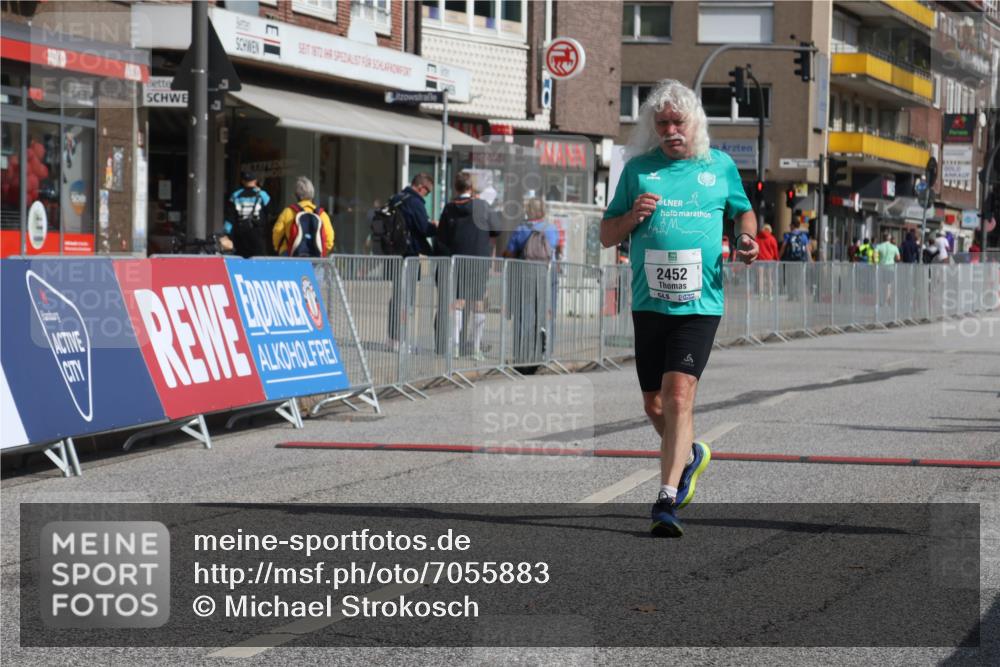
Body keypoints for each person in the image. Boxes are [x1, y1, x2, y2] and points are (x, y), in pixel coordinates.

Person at [599, 79, 758, 537]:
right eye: (662, 123)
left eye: (678, 121)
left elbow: (742, 212)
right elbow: (608, 236)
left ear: (695, 123)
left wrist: (745, 238)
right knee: (653, 405)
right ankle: (690, 455)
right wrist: (632, 217)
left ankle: (666, 500)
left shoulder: (719, 166)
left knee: (678, 395)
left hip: (700, 303)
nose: (671, 130)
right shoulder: (639, 170)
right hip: (649, 303)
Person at [436, 171, 500, 360]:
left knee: (458, 301)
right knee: (478, 302)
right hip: (479, 260)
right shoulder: (482, 206)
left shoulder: (449, 208)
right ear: (471, 188)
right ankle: (476, 348)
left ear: (456, 187)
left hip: (457, 260)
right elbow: (496, 228)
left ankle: (455, 345)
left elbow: (441, 237)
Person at [503, 198, 559, 366]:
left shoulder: (522, 228)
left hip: (526, 275)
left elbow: (510, 252)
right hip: (548, 274)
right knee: (547, 312)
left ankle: (522, 353)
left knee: (524, 314)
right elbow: (556, 248)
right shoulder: (551, 228)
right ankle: (545, 352)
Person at [386, 173, 437, 349]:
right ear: (421, 187)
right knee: (406, 298)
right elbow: (424, 229)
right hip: (409, 253)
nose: (427, 195)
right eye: (428, 192)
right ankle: (401, 340)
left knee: (397, 296)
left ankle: (392, 339)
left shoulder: (396, 198)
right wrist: (436, 226)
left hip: (393, 253)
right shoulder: (415, 202)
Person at [272, 176, 334, 257]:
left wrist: (279, 248)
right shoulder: (322, 214)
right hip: (315, 257)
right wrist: (322, 251)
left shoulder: (288, 212)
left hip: (290, 255)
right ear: (312, 193)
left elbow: (277, 233)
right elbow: (329, 239)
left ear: (295, 195)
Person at [224, 170, 270, 258]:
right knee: (259, 260)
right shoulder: (262, 195)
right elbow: (270, 211)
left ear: (243, 181)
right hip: (257, 233)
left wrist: (227, 233)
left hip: (240, 234)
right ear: (255, 181)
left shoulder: (235, 196)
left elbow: (230, 217)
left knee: (241, 260)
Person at [875, 231, 900, 306]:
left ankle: (881, 299)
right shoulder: (894, 247)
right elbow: (898, 258)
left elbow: (875, 256)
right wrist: (893, 259)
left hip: (881, 267)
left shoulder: (879, 246)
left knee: (881, 284)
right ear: (890, 239)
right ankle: (886, 301)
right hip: (891, 267)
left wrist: (877, 262)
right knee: (888, 285)